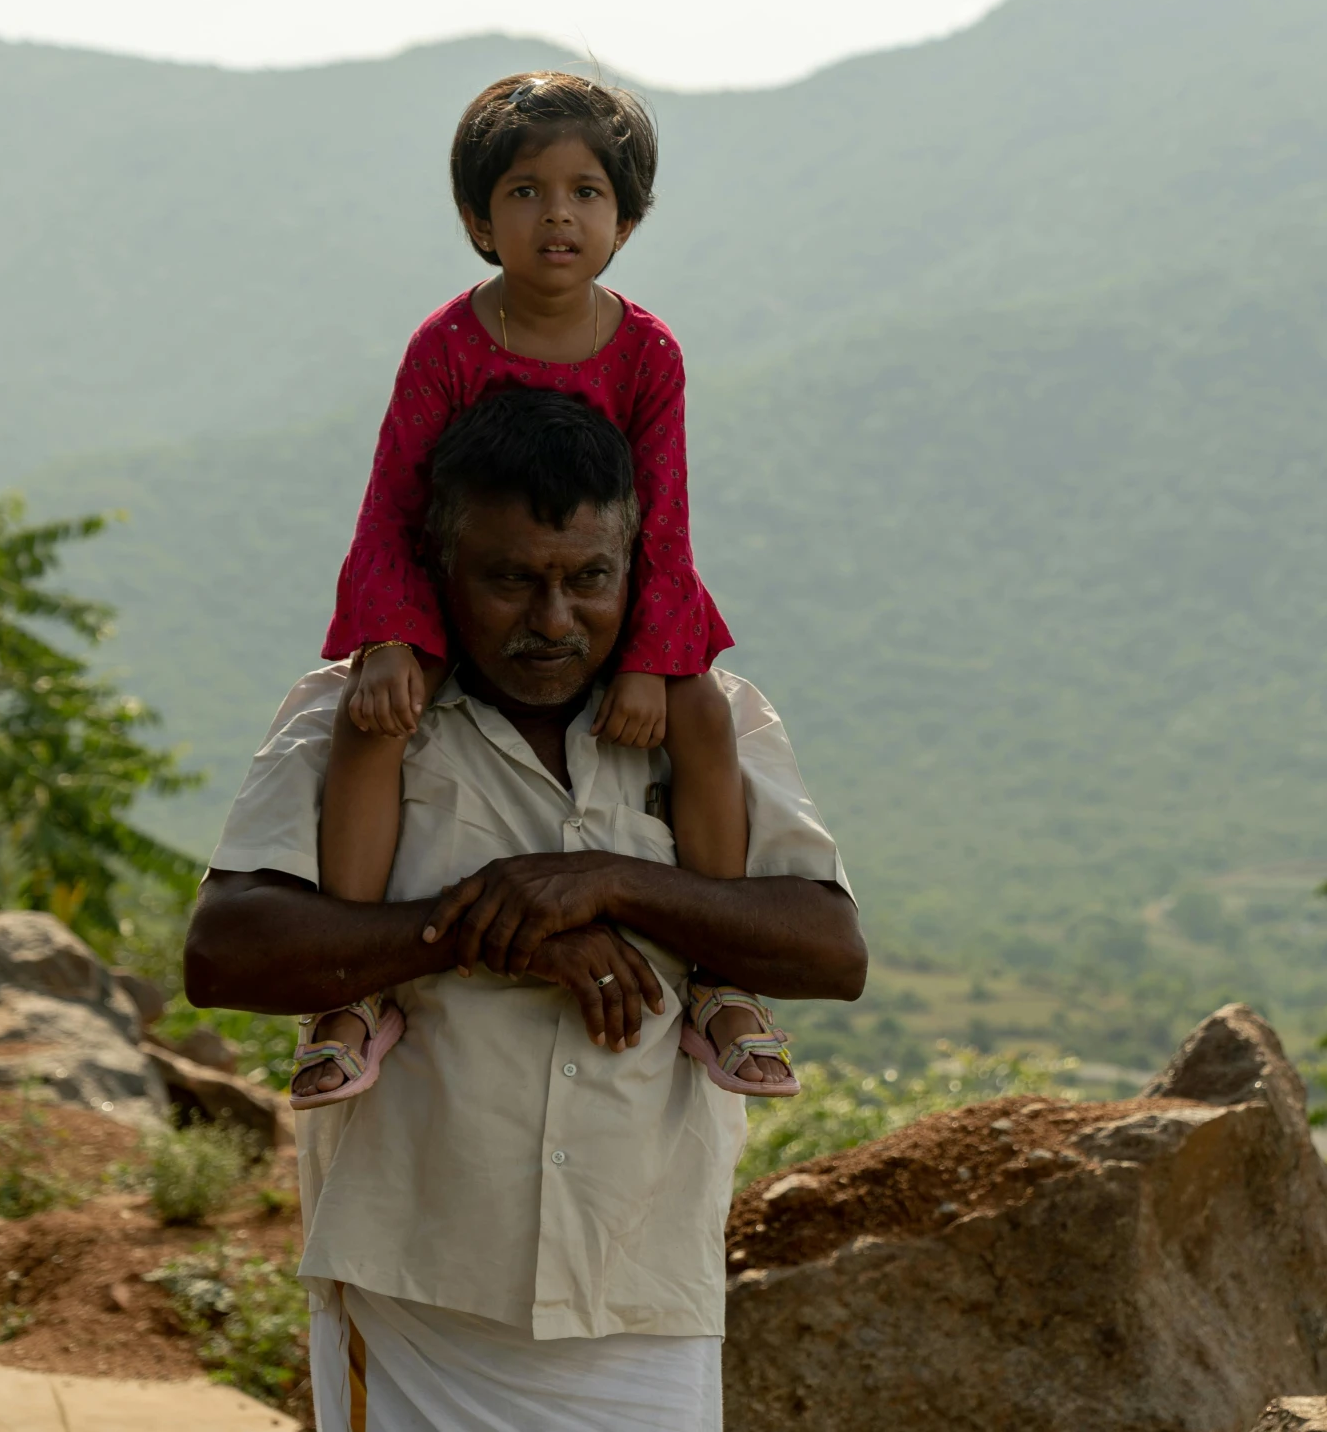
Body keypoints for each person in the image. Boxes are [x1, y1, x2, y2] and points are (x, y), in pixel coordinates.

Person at [186, 388, 865, 1431]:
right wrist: (476, 925)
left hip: (639, 1285)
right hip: (413, 1287)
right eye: (511, 581)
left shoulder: (708, 719)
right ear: (442, 567)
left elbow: (829, 948)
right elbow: (226, 952)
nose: (555, 621)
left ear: (634, 566)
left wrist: (613, 880)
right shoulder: (354, 713)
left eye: (589, 578)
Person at [297, 70, 794, 1105]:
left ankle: (722, 981)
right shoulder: (446, 345)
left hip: (607, 599)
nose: (557, 214)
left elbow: (663, 516)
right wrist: (388, 641)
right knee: (367, 722)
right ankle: (351, 990)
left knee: (705, 715)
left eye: (585, 191)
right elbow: (394, 499)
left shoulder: (647, 350)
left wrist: (657, 665)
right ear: (480, 219)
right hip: (458, 600)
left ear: (626, 216)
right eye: (524, 191)